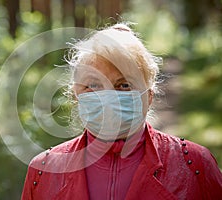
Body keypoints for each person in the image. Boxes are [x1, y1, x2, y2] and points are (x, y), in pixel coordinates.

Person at [21, 23, 222, 200]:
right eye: (94, 85)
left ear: (149, 96)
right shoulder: (43, 171)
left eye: (124, 85)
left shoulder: (194, 165)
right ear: (76, 95)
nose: (108, 96)